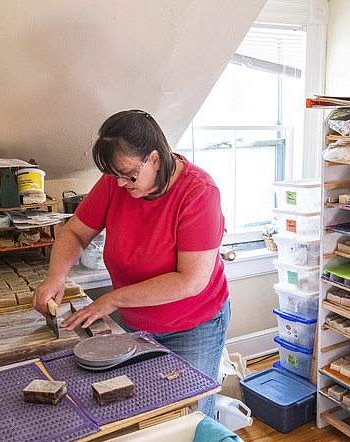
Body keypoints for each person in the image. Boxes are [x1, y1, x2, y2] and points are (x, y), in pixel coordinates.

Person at [33, 109, 230, 417]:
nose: (121, 183)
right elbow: (75, 231)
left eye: (129, 175)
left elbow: (190, 281)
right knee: (147, 412)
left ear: (154, 159)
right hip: (138, 325)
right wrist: (56, 277)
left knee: (189, 418)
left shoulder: (199, 192)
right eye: (115, 176)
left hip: (193, 326)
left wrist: (113, 299)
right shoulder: (117, 182)